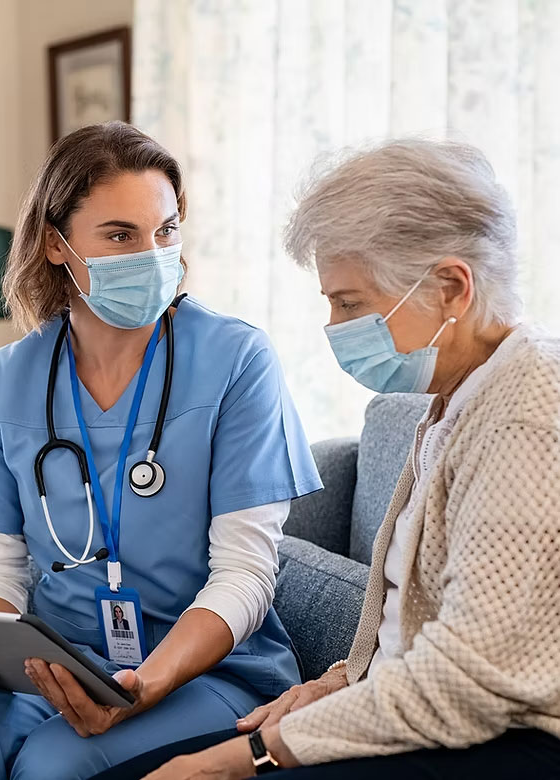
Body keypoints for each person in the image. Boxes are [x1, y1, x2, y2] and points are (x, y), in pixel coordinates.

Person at [101, 139, 560, 779]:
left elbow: (467, 683)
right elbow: (415, 627)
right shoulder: (454, 399)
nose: (335, 327)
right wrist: (339, 683)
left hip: (503, 744)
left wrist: (249, 757)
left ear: (452, 287)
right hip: (424, 717)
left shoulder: (525, 415)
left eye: (350, 303)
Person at [0, 121, 323, 780]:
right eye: (121, 235)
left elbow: (245, 574)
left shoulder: (236, 361)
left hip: (201, 672)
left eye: (167, 231)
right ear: (56, 244)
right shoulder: (5, 381)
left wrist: (142, 686)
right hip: (54, 663)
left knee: (54, 766)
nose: (153, 254)